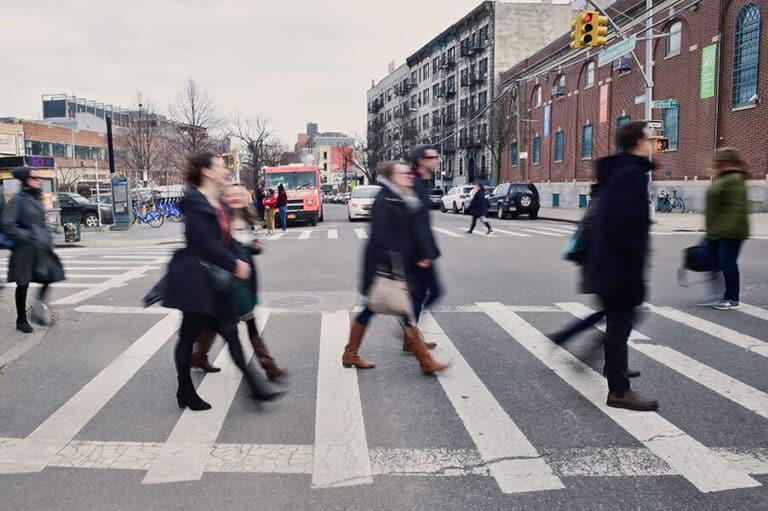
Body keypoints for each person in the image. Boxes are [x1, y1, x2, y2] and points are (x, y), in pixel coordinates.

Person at [162, 152, 283, 411]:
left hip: (218, 284)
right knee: (187, 338)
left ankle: (255, 388)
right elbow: (204, 244)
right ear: (206, 171)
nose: (225, 169)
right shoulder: (195, 202)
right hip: (198, 283)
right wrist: (234, 263)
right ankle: (185, 390)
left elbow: (228, 241)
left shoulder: (219, 203)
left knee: (231, 335)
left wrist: (242, 256)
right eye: (219, 166)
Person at [342, 160, 448, 375]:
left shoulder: (399, 196)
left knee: (380, 310)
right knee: (391, 310)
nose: (408, 175)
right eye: (402, 173)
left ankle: (351, 353)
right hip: (385, 267)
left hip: (396, 266)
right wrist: (394, 266)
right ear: (391, 177)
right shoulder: (384, 200)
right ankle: (424, 361)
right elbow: (381, 237)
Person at [587, 121, 657, 412]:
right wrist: (630, 269)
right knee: (620, 325)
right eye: (650, 138)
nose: (654, 143)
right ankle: (619, 391)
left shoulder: (621, 172)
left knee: (620, 324)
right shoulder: (631, 176)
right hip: (618, 268)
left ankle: (614, 370)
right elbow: (621, 228)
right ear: (638, 143)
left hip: (611, 265)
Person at [191, 184, 287, 381]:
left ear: (246, 198)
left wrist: (255, 248)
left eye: (239, 195)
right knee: (242, 324)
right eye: (230, 195)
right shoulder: (218, 219)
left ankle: (198, 356)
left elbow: (246, 249)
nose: (235, 198)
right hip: (226, 282)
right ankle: (268, 366)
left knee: (217, 323)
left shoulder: (249, 221)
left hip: (244, 282)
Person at [2, 166, 65, 333]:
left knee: (50, 276)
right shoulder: (18, 200)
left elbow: (39, 223)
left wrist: (47, 233)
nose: (38, 180)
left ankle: (37, 308)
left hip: (38, 247)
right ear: (26, 181)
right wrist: (27, 234)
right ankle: (21, 320)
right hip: (23, 249)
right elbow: (7, 224)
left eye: (38, 178)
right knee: (23, 284)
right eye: (34, 178)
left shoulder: (37, 199)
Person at [404, 144, 443, 352]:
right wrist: (424, 254)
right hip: (419, 253)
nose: (437, 160)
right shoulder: (414, 184)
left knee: (419, 294)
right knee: (431, 292)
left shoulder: (420, 183)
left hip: (421, 251)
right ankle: (410, 332)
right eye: (433, 157)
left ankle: (410, 334)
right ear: (421, 160)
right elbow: (416, 222)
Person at [705, 148, 750, 311]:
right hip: (717, 230)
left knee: (727, 264)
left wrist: (723, 230)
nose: (718, 161)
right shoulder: (722, 177)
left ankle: (732, 298)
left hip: (730, 232)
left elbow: (736, 208)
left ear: (728, 161)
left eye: (721, 159)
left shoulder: (735, 179)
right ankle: (721, 295)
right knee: (714, 262)